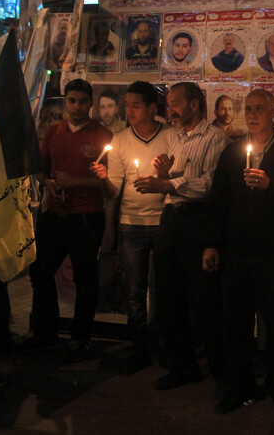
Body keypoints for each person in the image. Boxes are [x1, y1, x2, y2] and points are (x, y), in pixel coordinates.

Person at [203, 89, 274, 416]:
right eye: (247, 109)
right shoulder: (233, 151)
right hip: (236, 253)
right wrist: (212, 243)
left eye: (259, 109)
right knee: (235, 324)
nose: (252, 115)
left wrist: (271, 186)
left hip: (273, 252)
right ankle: (239, 386)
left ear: (273, 113)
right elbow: (218, 200)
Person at [135, 82, 228, 391]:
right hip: (172, 220)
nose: (170, 109)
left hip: (199, 221)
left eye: (175, 103)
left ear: (194, 105)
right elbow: (175, 180)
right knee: (168, 297)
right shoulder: (176, 138)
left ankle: (222, 373)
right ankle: (181, 366)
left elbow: (211, 184)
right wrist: (163, 175)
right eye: (169, 103)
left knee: (204, 302)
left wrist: (167, 185)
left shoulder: (215, 138)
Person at [18, 79, 113, 361]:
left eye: (82, 101)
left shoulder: (103, 135)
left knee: (85, 277)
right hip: (55, 213)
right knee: (40, 272)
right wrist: (48, 183)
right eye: (71, 100)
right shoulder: (54, 132)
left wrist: (76, 181)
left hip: (86, 215)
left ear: (91, 103)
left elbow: (110, 183)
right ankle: (45, 334)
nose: (76, 106)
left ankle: (81, 338)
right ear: (65, 101)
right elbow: (41, 169)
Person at [90, 81, 173, 374]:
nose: (130, 110)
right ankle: (139, 349)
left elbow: (180, 181)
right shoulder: (120, 140)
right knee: (134, 290)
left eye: (136, 105)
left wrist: (164, 176)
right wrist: (102, 178)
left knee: (166, 289)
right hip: (131, 223)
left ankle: (168, 348)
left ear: (153, 107)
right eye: (127, 105)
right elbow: (113, 192)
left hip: (165, 222)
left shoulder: (172, 136)